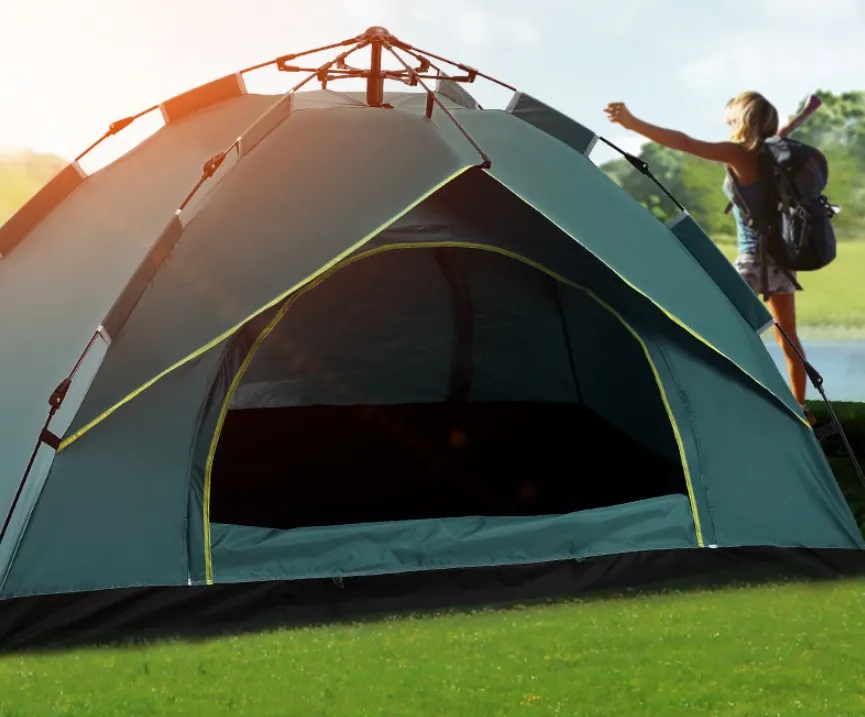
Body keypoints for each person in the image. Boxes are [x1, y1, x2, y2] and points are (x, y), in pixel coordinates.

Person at [604, 92, 816, 425]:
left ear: (742, 119)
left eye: (731, 114)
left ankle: (722, 403)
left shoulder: (738, 154)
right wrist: (806, 113)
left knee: (716, 331)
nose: (726, 118)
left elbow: (684, 142)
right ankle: (801, 409)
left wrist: (632, 123)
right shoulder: (770, 152)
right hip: (778, 261)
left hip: (751, 261)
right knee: (786, 335)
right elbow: (782, 132)